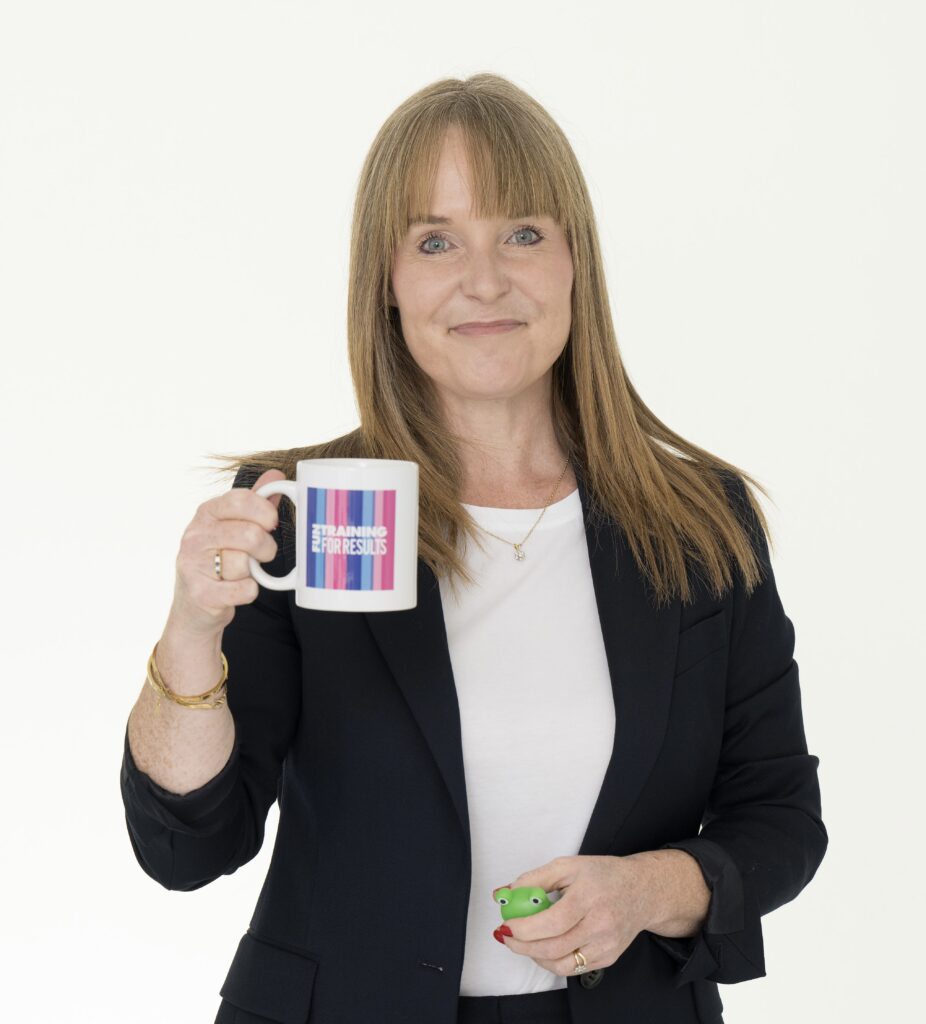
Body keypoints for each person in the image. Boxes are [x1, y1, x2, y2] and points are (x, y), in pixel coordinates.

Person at [120, 73, 827, 1024]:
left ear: (577, 264)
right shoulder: (300, 511)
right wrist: (192, 629)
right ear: (390, 284)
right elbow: (186, 849)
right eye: (436, 241)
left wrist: (648, 891)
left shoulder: (699, 523)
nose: (484, 280)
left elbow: (780, 819)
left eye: (524, 234)